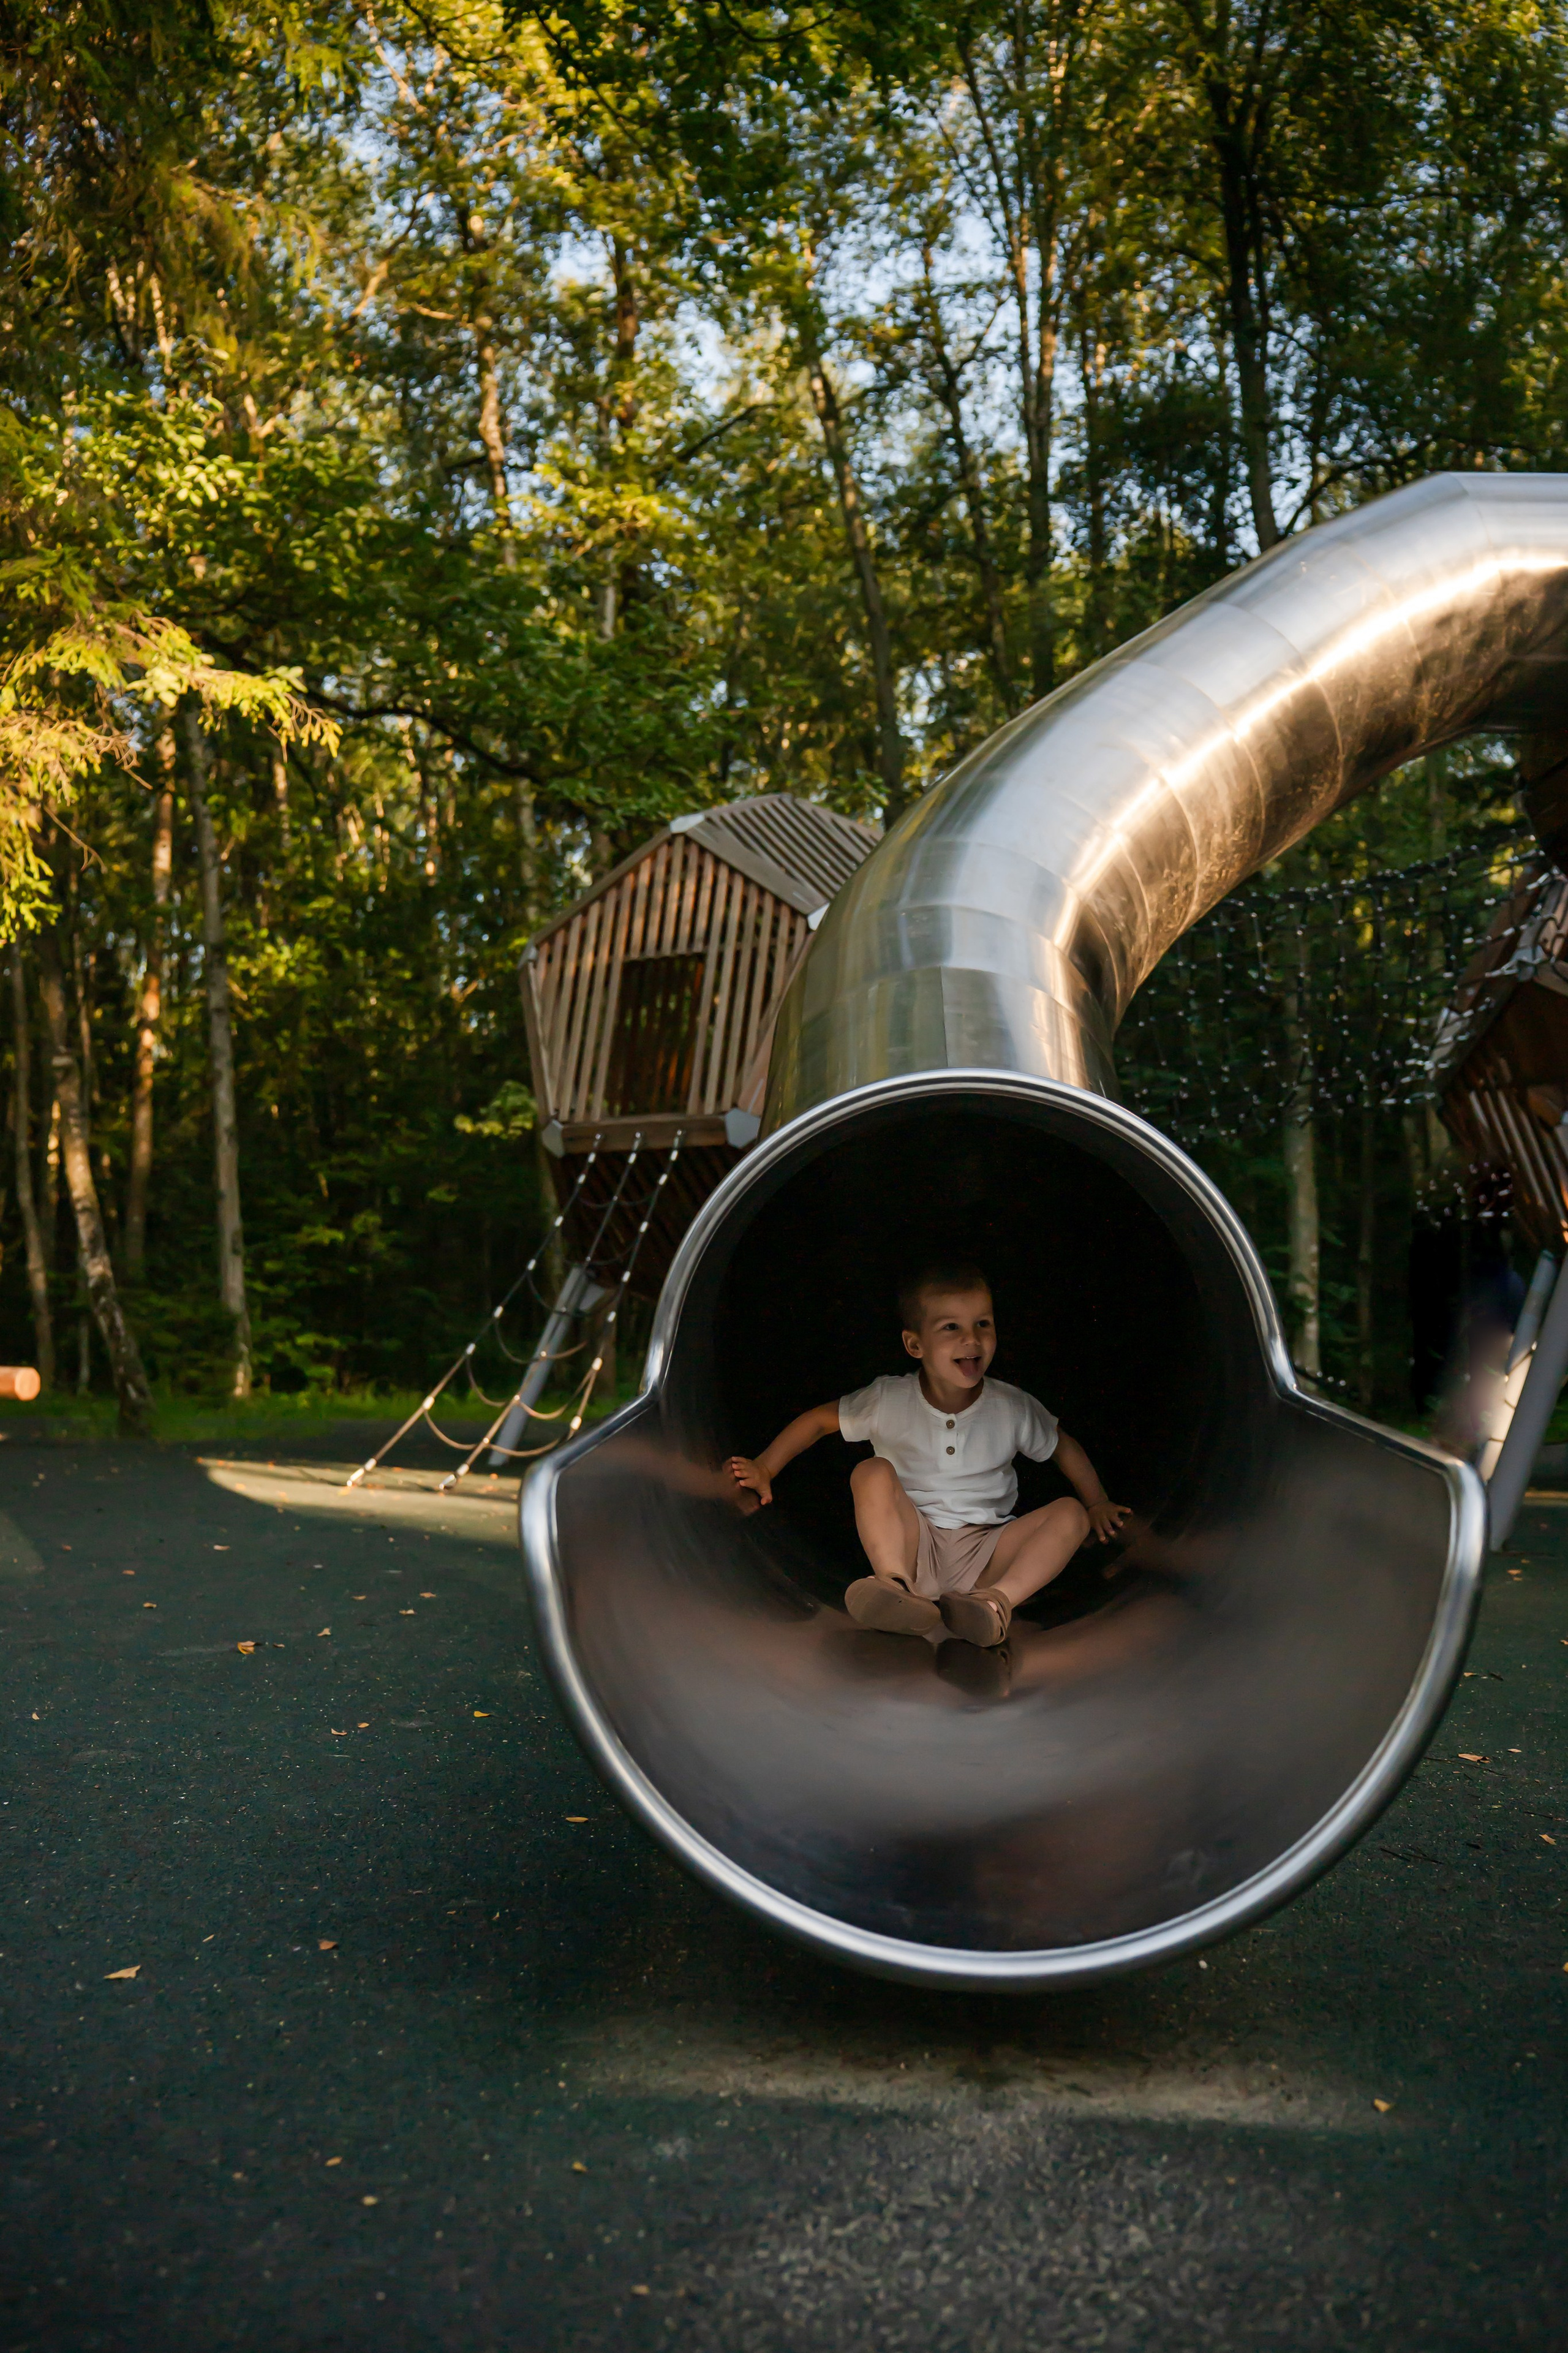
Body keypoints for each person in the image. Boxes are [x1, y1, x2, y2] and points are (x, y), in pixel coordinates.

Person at [726, 1261, 1129, 1649]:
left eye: (983, 1324)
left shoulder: (1012, 1406)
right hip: (914, 1542)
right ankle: (894, 1586)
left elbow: (1062, 1445)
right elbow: (819, 1421)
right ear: (915, 1344)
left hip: (988, 1550)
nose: (972, 1339)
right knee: (871, 1471)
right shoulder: (889, 1398)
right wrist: (766, 1467)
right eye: (952, 1327)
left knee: (1071, 1514)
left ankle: (995, 1603)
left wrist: (1097, 1502)